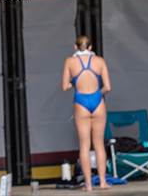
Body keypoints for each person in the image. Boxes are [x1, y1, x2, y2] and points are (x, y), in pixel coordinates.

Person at [62, 35, 112, 192]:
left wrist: (74, 84)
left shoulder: (70, 62)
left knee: (84, 145)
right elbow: (108, 87)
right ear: (90, 47)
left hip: (81, 102)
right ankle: (103, 182)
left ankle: (89, 185)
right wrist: (97, 93)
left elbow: (64, 86)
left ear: (75, 47)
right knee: (99, 144)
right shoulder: (100, 61)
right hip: (97, 101)